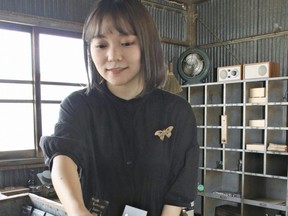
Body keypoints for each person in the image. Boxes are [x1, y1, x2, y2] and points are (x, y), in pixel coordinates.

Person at [40, 0, 199, 215]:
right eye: (101, 45)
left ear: (147, 45)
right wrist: (77, 211)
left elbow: (180, 186)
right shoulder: (79, 106)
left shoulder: (176, 111)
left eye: (126, 43)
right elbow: (63, 156)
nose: (113, 56)